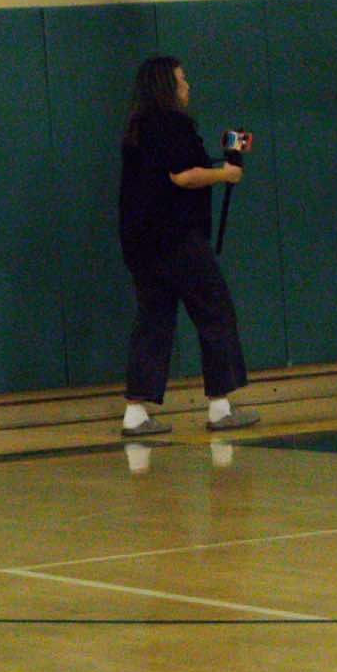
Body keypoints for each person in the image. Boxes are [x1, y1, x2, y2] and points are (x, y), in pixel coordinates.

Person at [117, 56, 259, 437]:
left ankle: (135, 411)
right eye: (181, 80)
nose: (187, 86)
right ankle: (219, 405)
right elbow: (182, 176)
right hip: (177, 237)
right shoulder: (173, 125)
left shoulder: (137, 130)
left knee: (154, 320)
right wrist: (225, 173)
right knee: (215, 312)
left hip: (141, 243)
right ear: (167, 86)